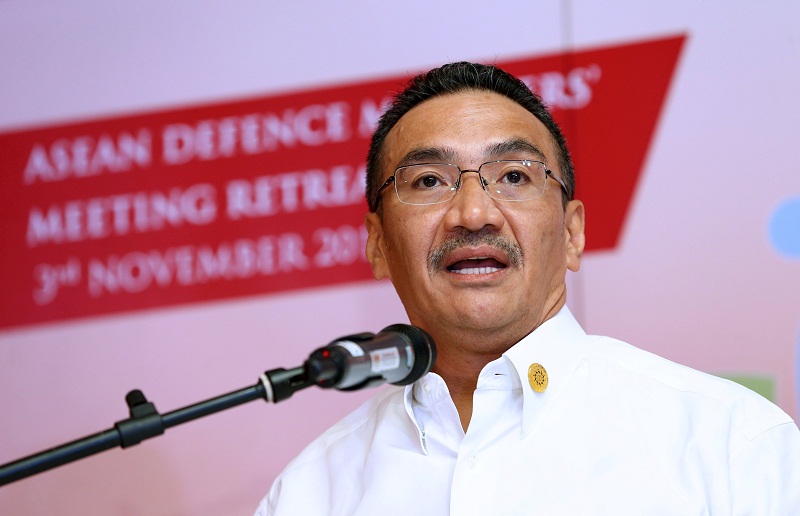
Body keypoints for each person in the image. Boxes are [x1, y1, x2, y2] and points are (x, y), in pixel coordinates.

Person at [256, 62, 800, 514]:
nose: (472, 213)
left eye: (514, 176)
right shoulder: (309, 494)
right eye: (429, 181)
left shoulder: (731, 444)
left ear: (571, 231)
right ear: (377, 244)